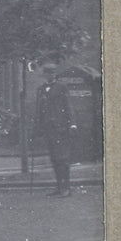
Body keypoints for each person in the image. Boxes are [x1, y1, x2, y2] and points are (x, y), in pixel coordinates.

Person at [36, 65, 78, 198]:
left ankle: (66, 188)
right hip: (48, 129)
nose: (50, 75)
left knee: (63, 158)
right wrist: (37, 127)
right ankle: (59, 187)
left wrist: (72, 124)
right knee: (54, 159)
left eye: (53, 73)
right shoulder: (41, 89)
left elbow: (68, 106)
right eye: (48, 73)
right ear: (44, 75)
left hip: (61, 128)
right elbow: (39, 110)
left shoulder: (61, 87)